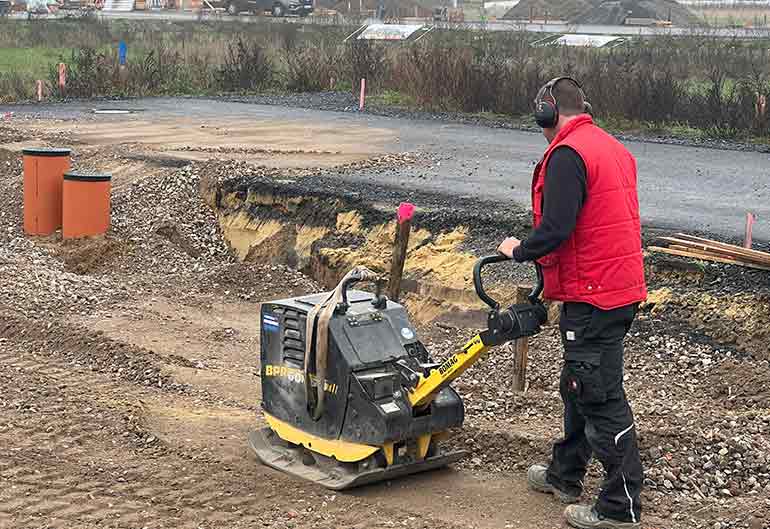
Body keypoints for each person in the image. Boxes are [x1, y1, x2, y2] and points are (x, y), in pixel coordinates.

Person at [497, 77, 646, 529]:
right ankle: (566, 474)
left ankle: (620, 506)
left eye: (540, 119)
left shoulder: (568, 155)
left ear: (547, 112)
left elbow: (558, 227)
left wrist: (519, 251)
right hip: (615, 289)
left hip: (594, 293)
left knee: (597, 394)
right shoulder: (612, 148)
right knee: (577, 383)